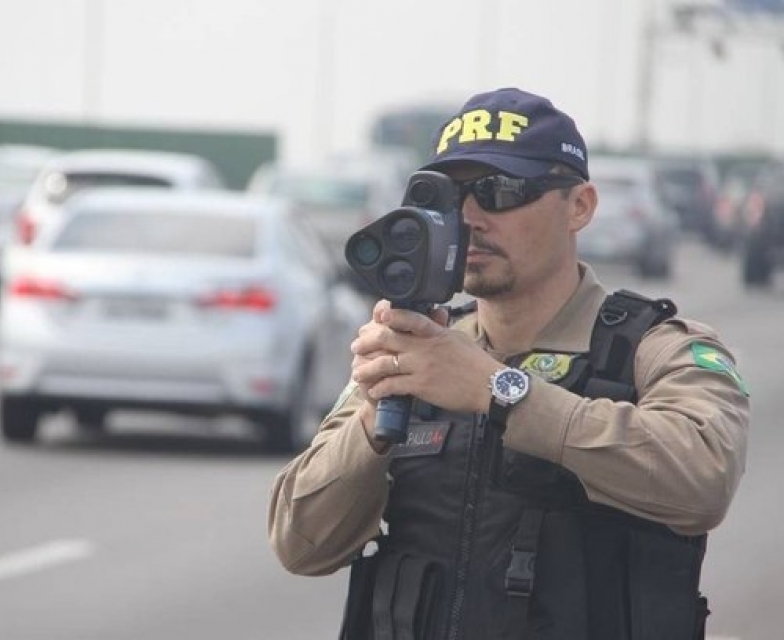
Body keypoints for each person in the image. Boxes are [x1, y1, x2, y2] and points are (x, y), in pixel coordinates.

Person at [267, 87, 749, 640]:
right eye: (451, 195)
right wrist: (374, 421)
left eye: (499, 192)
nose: (469, 217)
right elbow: (298, 542)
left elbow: (703, 481)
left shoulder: (655, 349)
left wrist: (503, 392)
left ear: (580, 206)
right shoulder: (419, 347)